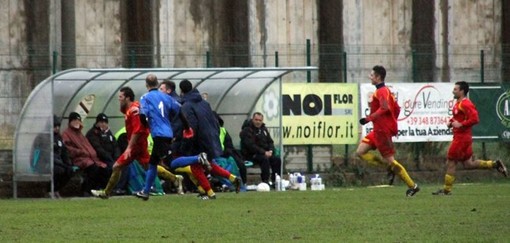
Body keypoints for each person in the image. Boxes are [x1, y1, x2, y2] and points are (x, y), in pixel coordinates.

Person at [433, 81, 508, 195]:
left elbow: (475, 119)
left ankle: (446, 190)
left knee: (451, 161)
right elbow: (459, 118)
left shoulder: (466, 104)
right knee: (468, 164)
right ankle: (495, 164)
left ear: (462, 91)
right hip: (462, 137)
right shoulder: (458, 104)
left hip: (461, 138)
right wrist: (451, 122)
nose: (453, 91)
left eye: (456, 89)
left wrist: (461, 124)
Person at [356, 65, 420, 197]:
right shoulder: (385, 91)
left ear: (378, 77)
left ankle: (412, 186)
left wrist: (370, 118)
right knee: (360, 151)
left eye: (372, 75)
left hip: (382, 131)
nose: (370, 77)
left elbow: (385, 108)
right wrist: (390, 122)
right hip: (378, 130)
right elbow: (396, 109)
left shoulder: (381, 91)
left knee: (391, 160)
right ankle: (387, 167)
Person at [179, 79, 242, 199]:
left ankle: (209, 193)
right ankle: (232, 178)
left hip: (198, 140)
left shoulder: (187, 106)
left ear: (181, 91)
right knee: (209, 164)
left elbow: (192, 126)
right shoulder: (204, 103)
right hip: (210, 138)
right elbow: (214, 121)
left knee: (195, 166)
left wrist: (187, 143)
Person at [135, 74, 190, 200]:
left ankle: (198, 158)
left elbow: (143, 116)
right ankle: (146, 191)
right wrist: (187, 127)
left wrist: (147, 126)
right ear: (157, 84)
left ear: (146, 84)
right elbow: (179, 110)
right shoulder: (165, 97)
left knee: (171, 163)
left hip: (159, 134)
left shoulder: (145, 98)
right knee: (153, 163)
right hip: (167, 132)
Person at [62, 112, 111, 196]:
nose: (77, 122)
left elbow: (89, 147)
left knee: (105, 169)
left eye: (78, 120)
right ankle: (87, 190)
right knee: (93, 168)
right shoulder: (66, 134)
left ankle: (100, 190)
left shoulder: (80, 133)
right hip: (78, 159)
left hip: (90, 158)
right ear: (70, 122)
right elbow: (68, 149)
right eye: (74, 120)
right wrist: (81, 152)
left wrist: (93, 154)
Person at [31, 115, 75, 198]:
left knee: (69, 171)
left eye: (58, 126)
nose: (57, 128)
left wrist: (68, 164)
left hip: (56, 163)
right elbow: (47, 155)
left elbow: (64, 152)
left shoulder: (58, 137)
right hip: (42, 164)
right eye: (55, 126)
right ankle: (48, 190)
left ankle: (55, 189)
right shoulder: (42, 137)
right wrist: (62, 164)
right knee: (59, 170)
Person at [240, 112, 282, 186]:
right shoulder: (247, 130)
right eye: (256, 120)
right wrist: (264, 152)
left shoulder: (263, 129)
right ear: (252, 119)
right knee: (264, 159)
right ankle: (265, 181)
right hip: (251, 155)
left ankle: (276, 181)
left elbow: (270, 141)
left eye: (260, 120)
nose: (258, 122)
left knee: (277, 159)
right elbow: (250, 146)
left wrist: (271, 151)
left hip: (264, 153)